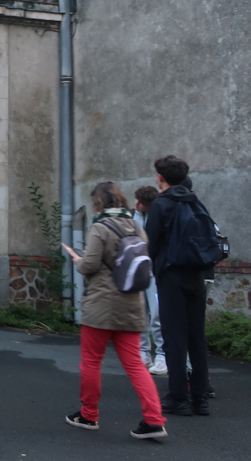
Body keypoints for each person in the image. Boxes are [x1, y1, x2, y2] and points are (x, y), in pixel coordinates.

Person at [61, 182, 167, 440]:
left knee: (91, 362)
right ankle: (154, 420)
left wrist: (77, 260)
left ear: (98, 202)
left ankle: (88, 415)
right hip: (131, 305)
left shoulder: (99, 227)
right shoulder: (136, 226)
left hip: (101, 306)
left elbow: (90, 266)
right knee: (135, 365)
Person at [144, 155, 212, 417]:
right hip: (197, 274)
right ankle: (200, 397)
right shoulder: (195, 201)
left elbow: (150, 244)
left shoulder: (162, 204)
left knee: (174, 337)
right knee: (197, 337)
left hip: (171, 275)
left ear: (160, 177)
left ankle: (177, 397)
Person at [133, 186, 167, 375]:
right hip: (138, 271)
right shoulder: (132, 216)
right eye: (136, 199)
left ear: (149, 205)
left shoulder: (158, 216)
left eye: (141, 202)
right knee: (140, 313)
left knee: (156, 315)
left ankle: (162, 355)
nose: (136, 204)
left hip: (154, 271)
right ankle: (143, 353)